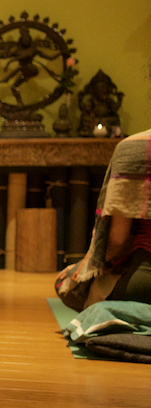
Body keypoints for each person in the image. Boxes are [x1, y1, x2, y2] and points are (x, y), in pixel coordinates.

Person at [55, 125, 151, 310]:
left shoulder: (135, 146)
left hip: (144, 281)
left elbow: (117, 240)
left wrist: (83, 268)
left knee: (68, 285)